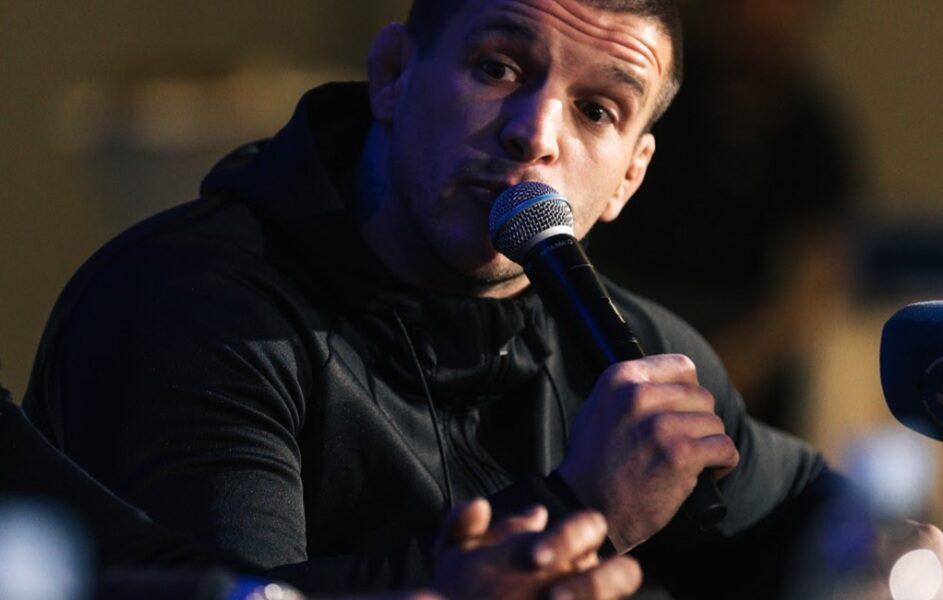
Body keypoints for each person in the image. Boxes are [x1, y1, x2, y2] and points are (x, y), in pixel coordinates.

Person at [20, 0, 941, 597]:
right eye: (497, 67)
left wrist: (905, 547)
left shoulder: (635, 349)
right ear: (392, 76)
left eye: (597, 110)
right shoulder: (196, 301)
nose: (533, 133)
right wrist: (585, 504)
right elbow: (239, 590)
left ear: (629, 176)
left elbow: (827, 528)